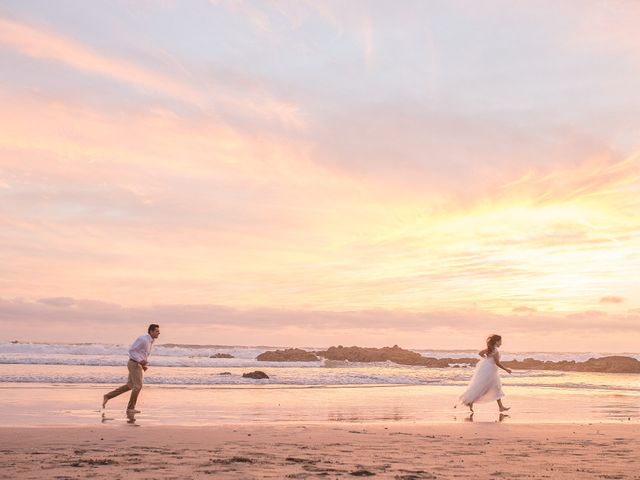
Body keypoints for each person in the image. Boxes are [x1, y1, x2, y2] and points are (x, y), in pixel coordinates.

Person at [102, 324, 160, 413]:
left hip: (136, 364)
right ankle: (130, 408)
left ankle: (108, 396)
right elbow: (132, 350)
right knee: (138, 386)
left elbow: (141, 353)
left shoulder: (150, 341)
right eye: (157, 331)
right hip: (134, 364)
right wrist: (140, 361)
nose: (159, 333)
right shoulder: (143, 339)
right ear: (151, 331)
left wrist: (143, 364)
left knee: (130, 386)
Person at [457, 334, 511, 413]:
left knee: (494, 387)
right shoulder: (495, 351)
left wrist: (487, 359)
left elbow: (480, 353)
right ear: (496, 341)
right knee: (488, 388)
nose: (501, 343)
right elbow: (497, 363)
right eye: (500, 341)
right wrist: (506, 369)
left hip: (488, 369)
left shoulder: (490, 349)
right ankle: (470, 401)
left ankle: (500, 407)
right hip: (490, 371)